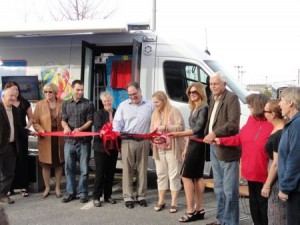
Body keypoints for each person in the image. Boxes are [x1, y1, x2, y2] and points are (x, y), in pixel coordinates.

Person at [214, 93, 273, 225]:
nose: (249, 109)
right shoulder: (251, 120)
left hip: (266, 174)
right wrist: (221, 140)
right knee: (254, 205)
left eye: (250, 106)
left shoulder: (271, 124)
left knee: (265, 208)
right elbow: (239, 138)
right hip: (251, 172)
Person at [203, 71, 241, 225]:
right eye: (211, 84)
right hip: (214, 147)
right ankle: (221, 220)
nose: (213, 86)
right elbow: (211, 120)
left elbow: (233, 124)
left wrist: (214, 133)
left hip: (227, 149)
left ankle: (231, 222)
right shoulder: (213, 97)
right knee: (218, 188)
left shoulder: (232, 98)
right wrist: (208, 134)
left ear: (224, 84)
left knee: (229, 191)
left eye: (216, 83)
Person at [168, 83, 208, 222]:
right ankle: (199, 210)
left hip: (198, 145)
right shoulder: (195, 108)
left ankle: (191, 211)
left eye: (195, 92)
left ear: (201, 93)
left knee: (186, 176)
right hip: (193, 144)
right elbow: (193, 131)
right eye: (190, 92)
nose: (192, 94)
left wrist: (178, 134)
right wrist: (185, 147)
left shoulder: (203, 107)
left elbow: (198, 129)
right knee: (196, 177)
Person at [113, 81, 154, 209]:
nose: (132, 97)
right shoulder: (123, 105)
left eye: (134, 94)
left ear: (140, 91)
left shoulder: (150, 105)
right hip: (127, 140)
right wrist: (115, 133)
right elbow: (117, 123)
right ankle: (128, 197)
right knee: (128, 170)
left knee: (142, 170)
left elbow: (156, 120)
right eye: (130, 95)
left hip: (144, 141)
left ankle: (141, 196)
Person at [150, 91, 186, 213]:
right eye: (154, 102)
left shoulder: (173, 110)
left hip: (172, 148)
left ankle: (174, 202)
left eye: (156, 102)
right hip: (159, 149)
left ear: (164, 100)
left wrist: (166, 128)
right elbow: (151, 130)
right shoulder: (154, 114)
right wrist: (152, 137)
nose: (155, 104)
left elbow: (181, 127)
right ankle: (161, 201)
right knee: (161, 175)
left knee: (174, 175)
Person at [61, 80, 94, 203]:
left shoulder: (89, 103)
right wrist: (65, 127)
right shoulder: (65, 104)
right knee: (69, 169)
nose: (80, 92)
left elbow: (90, 120)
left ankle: (83, 193)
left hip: (84, 142)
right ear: (72, 89)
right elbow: (63, 119)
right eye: (77, 90)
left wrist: (79, 129)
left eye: (82, 90)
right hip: (69, 142)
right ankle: (70, 192)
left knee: (84, 170)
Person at [32, 83, 64, 198]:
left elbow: (66, 119)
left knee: (58, 164)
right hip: (45, 138)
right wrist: (40, 129)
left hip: (59, 138)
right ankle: (47, 188)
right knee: (45, 165)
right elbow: (34, 121)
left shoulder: (62, 103)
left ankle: (57, 187)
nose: (47, 94)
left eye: (50, 92)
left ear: (55, 92)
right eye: (45, 92)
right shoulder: (40, 104)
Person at [0, 86, 31, 204]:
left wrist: (30, 132)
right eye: (10, 96)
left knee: (9, 173)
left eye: (14, 96)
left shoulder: (15, 110)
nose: (13, 98)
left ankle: (2, 195)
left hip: (11, 147)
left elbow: (19, 128)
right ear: (3, 96)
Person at [260, 99, 287, 225]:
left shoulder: (279, 134)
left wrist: (267, 184)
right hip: (275, 174)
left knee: (277, 215)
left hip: (277, 180)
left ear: (273, 114)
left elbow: (276, 163)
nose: (263, 113)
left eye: (265, 111)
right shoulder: (279, 130)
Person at [277, 87, 300, 225]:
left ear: (290, 102)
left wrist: (286, 187)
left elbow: (295, 159)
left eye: (282, 100)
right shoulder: (293, 123)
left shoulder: (297, 124)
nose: (279, 104)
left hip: (296, 190)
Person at [92, 91, 118, 207]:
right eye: (104, 101)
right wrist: (103, 131)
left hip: (113, 147)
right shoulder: (98, 114)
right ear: (102, 102)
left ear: (112, 101)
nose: (107, 103)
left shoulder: (117, 112)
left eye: (109, 101)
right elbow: (98, 129)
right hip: (101, 148)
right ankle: (96, 197)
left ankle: (108, 195)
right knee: (100, 173)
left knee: (110, 173)